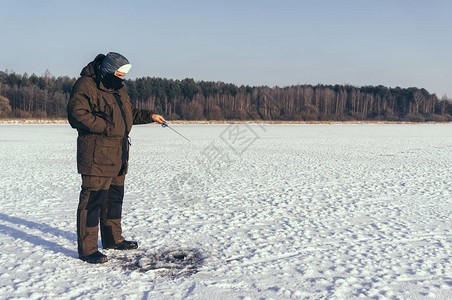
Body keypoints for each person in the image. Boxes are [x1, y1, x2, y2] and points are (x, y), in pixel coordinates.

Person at [67, 52, 165, 264]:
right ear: (108, 70)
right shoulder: (86, 85)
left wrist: (150, 116)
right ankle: (88, 249)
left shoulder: (117, 87)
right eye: (119, 73)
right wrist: (106, 127)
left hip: (118, 155)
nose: (121, 78)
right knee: (92, 202)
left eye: (123, 75)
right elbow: (76, 114)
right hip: (96, 155)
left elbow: (126, 114)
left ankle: (112, 239)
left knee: (113, 200)